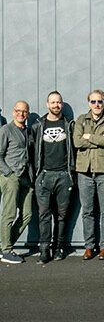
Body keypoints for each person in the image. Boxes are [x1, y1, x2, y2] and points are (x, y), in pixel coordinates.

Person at [73, 89, 104, 260]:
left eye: (100, 101)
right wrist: (100, 138)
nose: (97, 105)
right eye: (93, 102)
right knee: (88, 211)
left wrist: (89, 137)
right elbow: (77, 141)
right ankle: (89, 246)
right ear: (89, 103)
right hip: (84, 170)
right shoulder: (81, 120)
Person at [33, 91, 75, 264]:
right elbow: (31, 150)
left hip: (64, 176)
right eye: (52, 102)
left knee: (62, 215)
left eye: (58, 102)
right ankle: (44, 250)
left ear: (62, 104)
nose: (56, 105)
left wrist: (70, 173)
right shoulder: (38, 125)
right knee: (44, 215)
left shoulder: (69, 125)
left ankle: (58, 248)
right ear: (47, 104)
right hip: (44, 176)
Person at [0, 101, 34, 264]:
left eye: (25, 111)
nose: (21, 114)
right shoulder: (6, 130)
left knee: (27, 214)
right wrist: (8, 173)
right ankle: (6, 250)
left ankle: (5, 246)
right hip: (11, 177)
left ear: (28, 114)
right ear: (14, 112)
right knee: (9, 213)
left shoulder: (27, 132)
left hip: (26, 178)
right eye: (18, 111)